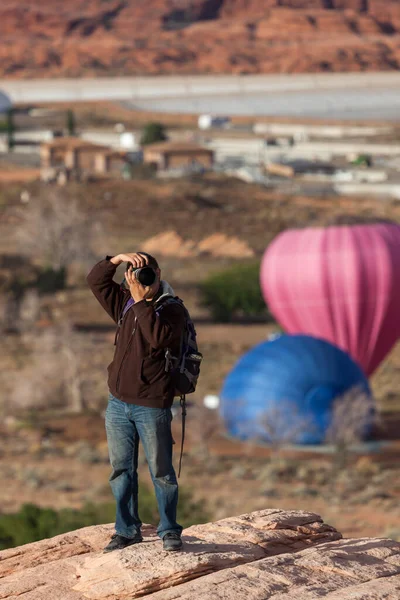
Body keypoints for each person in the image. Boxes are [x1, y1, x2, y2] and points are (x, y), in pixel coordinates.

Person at [86, 251, 186, 553]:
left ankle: (169, 530)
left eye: (148, 273)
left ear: (159, 273)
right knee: (121, 470)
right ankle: (127, 530)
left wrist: (142, 301)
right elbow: (95, 281)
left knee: (162, 472)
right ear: (129, 277)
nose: (142, 279)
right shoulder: (125, 302)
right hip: (118, 403)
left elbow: (157, 338)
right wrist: (114, 261)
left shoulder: (173, 309)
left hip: (152, 405)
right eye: (136, 273)